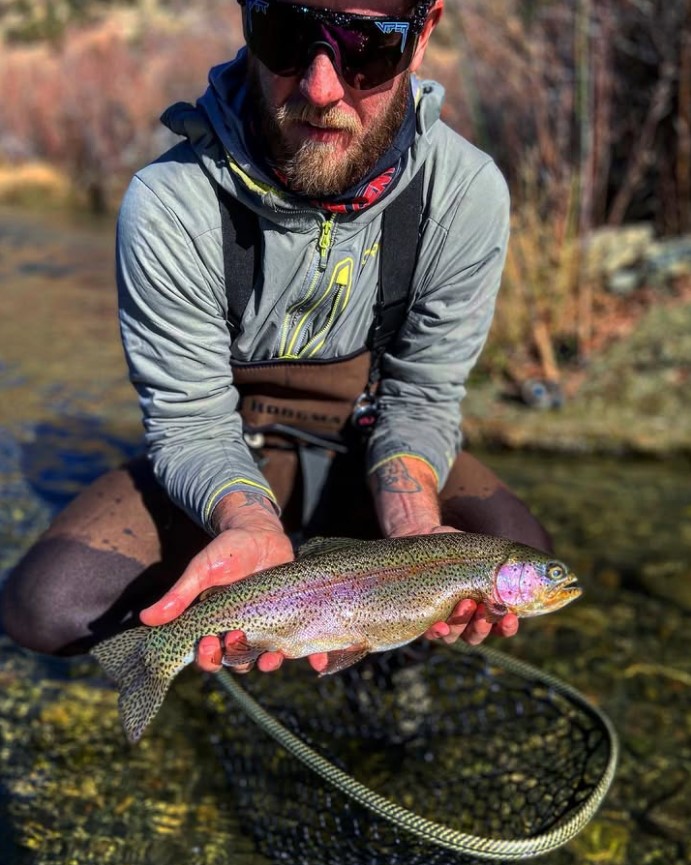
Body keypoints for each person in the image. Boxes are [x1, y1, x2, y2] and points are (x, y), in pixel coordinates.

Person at [1, 0, 552, 676]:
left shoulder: (465, 193)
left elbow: (421, 398)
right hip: (234, 447)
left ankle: (384, 655)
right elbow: (191, 420)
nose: (322, 89)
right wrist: (246, 521)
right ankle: (227, 630)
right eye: (287, 35)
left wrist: (412, 533)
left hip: (367, 443)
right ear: (245, 16)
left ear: (424, 32)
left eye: (369, 47)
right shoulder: (170, 203)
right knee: (47, 605)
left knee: (517, 545)